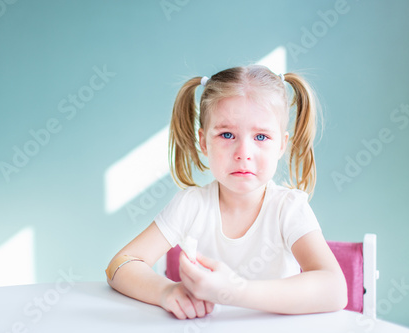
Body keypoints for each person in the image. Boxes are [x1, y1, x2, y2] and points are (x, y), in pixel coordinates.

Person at [105, 65, 347, 320]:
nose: (244, 152)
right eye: (227, 134)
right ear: (203, 142)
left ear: (282, 145)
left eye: (261, 137)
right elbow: (120, 265)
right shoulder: (192, 205)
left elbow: (335, 289)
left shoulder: (288, 209)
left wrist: (235, 291)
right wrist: (166, 291)